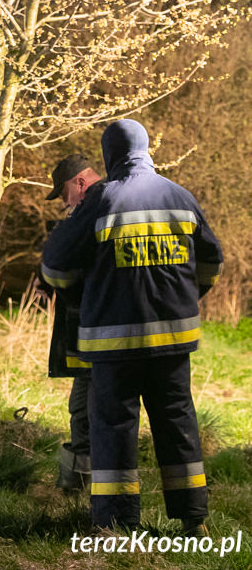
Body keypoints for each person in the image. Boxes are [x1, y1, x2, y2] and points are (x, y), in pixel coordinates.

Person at [42, 119, 223, 534]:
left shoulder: (102, 199)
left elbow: (54, 266)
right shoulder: (179, 196)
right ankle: (192, 517)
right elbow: (212, 262)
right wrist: (188, 299)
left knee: (114, 427)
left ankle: (116, 523)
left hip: (114, 344)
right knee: (177, 422)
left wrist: (80, 295)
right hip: (173, 343)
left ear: (110, 155)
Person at [43, 154, 104, 492]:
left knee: (87, 411)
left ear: (80, 182)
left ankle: (81, 491)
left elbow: (65, 267)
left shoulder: (92, 211)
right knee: (82, 409)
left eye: (64, 193)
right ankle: (77, 490)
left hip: (95, 332)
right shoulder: (98, 207)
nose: (64, 201)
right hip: (89, 333)